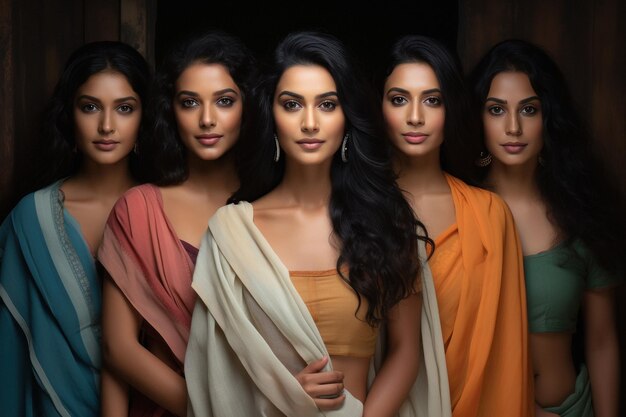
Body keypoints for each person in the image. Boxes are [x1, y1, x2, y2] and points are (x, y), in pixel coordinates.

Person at [185, 31, 439, 417]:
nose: (309, 123)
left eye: (327, 105)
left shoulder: (386, 222)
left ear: (347, 117)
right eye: (291, 105)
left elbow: (406, 351)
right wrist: (283, 393)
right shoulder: (233, 233)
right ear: (271, 115)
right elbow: (214, 373)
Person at [97, 32, 256, 417]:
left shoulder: (272, 204)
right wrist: (218, 408)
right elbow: (119, 348)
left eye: (224, 101)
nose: (207, 119)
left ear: (250, 106)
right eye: (189, 103)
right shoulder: (139, 209)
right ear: (170, 110)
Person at [380, 35, 533, 417]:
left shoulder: (490, 214)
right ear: (378, 108)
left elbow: (506, 361)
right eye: (399, 99)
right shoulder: (355, 210)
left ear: (453, 109)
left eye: (433, 100)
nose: (415, 116)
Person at [470, 39, 623, 417]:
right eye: (496, 110)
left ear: (549, 118)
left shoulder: (580, 212)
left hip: (572, 408)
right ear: (478, 118)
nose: (513, 127)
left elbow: (602, 340)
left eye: (529, 109)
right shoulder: (459, 209)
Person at [0, 41, 149, 417]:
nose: (107, 126)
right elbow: (9, 357)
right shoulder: (30, 219)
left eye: (125, 108)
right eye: (90, 107)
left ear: (146, 117)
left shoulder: (167, 211)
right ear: (69, 114)